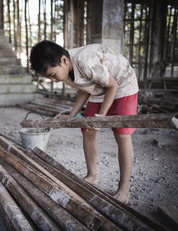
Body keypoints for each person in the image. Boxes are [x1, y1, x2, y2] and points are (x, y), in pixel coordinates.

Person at [29, 40, 139, 203]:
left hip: (122, 84)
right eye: (48, 77)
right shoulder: (64, 71)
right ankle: (92, 176)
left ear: (64, 60)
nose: (53, 80)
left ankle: (124, 187)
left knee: (122, 134)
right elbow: (83, 89)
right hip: (100, 87)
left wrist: (102, 115)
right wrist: (72, 115)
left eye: (52, 75)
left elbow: (112, 85)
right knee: (87, 130)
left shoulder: (85, 61)